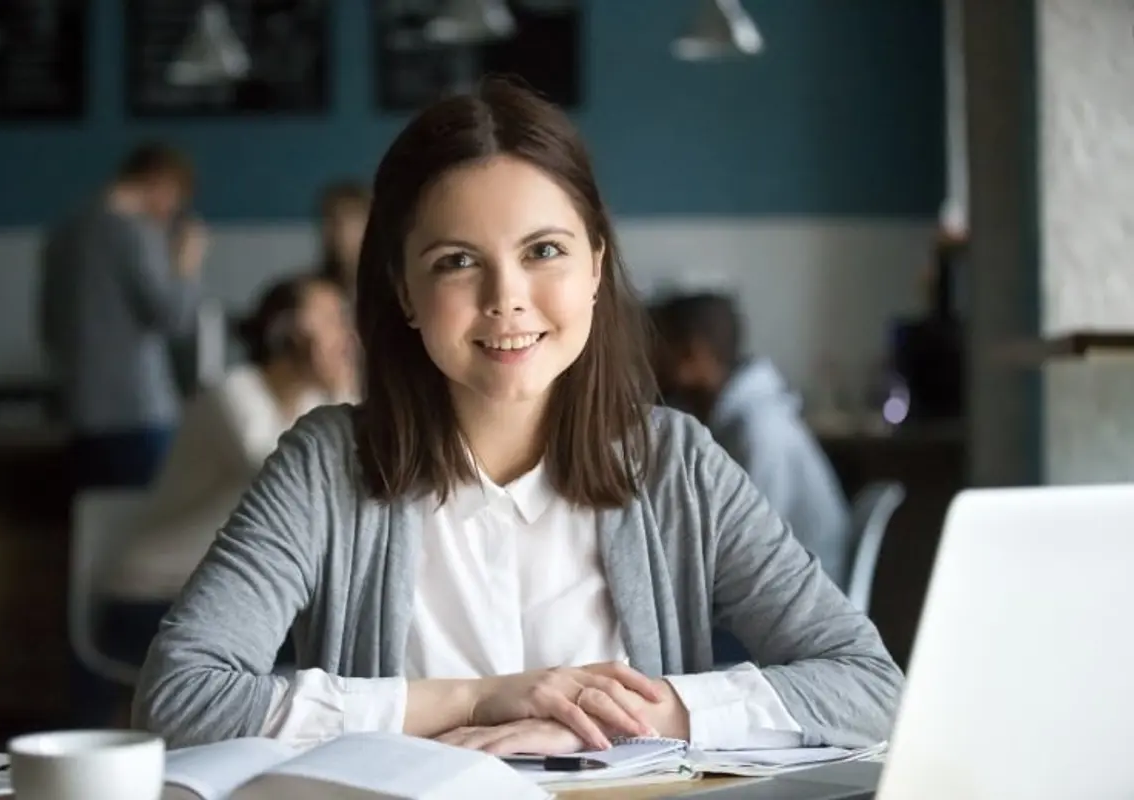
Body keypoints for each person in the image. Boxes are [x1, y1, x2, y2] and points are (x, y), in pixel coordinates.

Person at [135, 79, 901, 756]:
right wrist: (470, 699)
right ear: (403, 289)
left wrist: (637, 716)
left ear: (596, 267)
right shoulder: (325, 465)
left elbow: (870, 686)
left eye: (544, 250)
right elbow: (178, 697)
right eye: (457, 261)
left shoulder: (678, 463)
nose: (507, 298)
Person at [100, 273, 359, 658]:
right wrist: (341, 394)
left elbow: (353, 477)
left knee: (347, 635)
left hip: (225, 596)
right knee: (329, 647)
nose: (346, 336)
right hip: (153, 596)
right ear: (286, 332)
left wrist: (340, 393)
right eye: (330, 319)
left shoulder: (311, 407)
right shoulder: (231, 394)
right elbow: (282, 481)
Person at [651, 292, 854, 588]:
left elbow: (745, 552)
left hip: (792, 605)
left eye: (656, 348)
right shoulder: (722, 421)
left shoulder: (759, 432)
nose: (646, 360)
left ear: (694, 354)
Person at [39, 141, 208, 489]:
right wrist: (187, 263)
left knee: (94, 531)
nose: (172, 213)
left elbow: (47, 324)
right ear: (161, 183)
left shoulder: (64, 233)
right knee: (145, 533)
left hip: (80, 410)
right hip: (139, 412)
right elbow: (175, 319)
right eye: (175, 200)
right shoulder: (136, 233)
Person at [314, 180, 371, 295]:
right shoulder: (315, 292)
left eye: (352, 222)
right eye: (333, 223)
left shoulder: (394, 290)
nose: (341, 234)